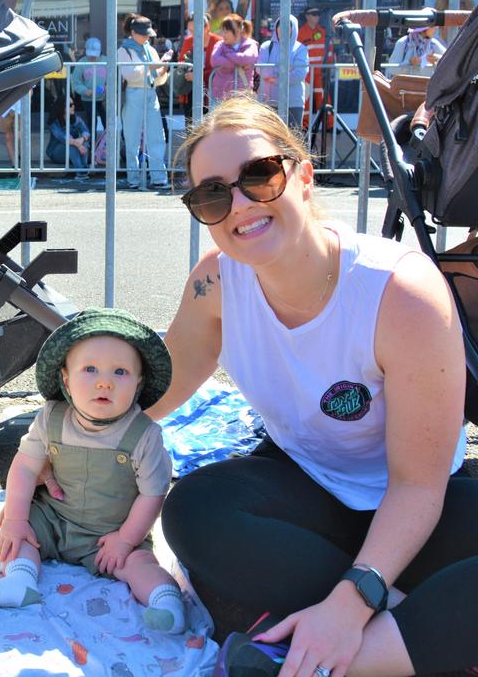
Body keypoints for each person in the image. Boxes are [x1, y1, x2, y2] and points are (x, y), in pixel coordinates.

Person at [155, 95, 478, 676]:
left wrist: (354, 599)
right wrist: (51, 445)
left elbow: (417, 486)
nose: (239, 204)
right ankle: (414, 632)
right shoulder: (216, 284)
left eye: (259, 175)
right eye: (212, 193)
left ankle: (350, 653)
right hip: (309, 489)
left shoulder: (400, 292)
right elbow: (157, 389)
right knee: (195, 510)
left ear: (303, 177)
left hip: (420, 505)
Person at [0, 309, 186, 633]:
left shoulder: (144, 435)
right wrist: (18, 519)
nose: (104, 381)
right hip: (54, 519)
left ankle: (166, 602)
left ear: (138, 383)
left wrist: (125, 539)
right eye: (89, 369)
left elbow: (154, 493)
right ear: (66, 378)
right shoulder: (51, 417)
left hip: (111, 533)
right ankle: (20, 581)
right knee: (18, 534)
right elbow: (24, 466)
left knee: (139, 563)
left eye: (120, 372)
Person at [119, 14, 172, 189]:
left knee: (157, 136)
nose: (147, 37)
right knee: (132, 137)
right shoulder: (124, 50)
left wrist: (164, 68)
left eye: (148, 34)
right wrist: (152, 66)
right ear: (133, 32)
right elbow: (130, 74)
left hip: (150, 92)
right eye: (144, 34)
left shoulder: (150, 50)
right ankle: (132, 177)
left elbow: (157, 79)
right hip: (133, 93)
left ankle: (159, 177)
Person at [256, 13, 310, 129]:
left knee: (292, 138)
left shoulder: (301, 49)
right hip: (267, 101)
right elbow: (260, 69)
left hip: (292, 102)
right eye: (281, 25)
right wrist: (284, 70)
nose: (283, 29)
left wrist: (273, 76)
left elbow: (299, 74)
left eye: (287, 26)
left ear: (293, 28)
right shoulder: (266, 46)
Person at [177, 15, 222, 122]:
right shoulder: (188, 41)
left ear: (207, 27)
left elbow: (221, 68)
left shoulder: (218, 42)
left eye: (195, 30)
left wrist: (199, 76)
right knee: (190, 124)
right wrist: (187, 70)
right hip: (190, 91)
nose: (193, 34)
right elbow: (181, 61)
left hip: (212, 91)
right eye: (190, 30)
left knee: (210, 125)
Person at [209, 14, 258, 106]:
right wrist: (238, 63)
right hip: (220, 96)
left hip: (242, 97)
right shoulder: (220, 44)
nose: (223, 35)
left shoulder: (250, 44)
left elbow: (247, 58)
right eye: (222, 31)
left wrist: (227, 54)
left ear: (238, 30)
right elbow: (214, 60)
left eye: (227, 31)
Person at [297, 7, 334, 123]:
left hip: (321, 72)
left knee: (324, 98)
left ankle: (329, 125)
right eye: (314, 14)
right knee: (305, 98)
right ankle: (304, 126)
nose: (317, 16)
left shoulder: (323, 32)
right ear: (307, 16)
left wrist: (329, 66)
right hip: (306, 72)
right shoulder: (300, 33)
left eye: (318, 14)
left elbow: (330, 50)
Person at [45, 93, 90, 180]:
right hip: (57, 152)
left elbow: (86, 132)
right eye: (70, 105)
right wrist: (78, 144)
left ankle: (84, 168)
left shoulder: (76, 119)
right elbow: (64, 138)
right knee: (71, 145)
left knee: (84, 142)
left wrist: (82, 138)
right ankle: (81, 171)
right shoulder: (54, 123)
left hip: (72, 152)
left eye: (73, 104)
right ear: (62, 107)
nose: (73, 106)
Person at [70, 36, 107, 133]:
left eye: (95, 54)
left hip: (104, 99)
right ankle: (92, 145)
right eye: (91, 54)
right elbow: (76, 80)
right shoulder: (82, 63)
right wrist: (84, 90)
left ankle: (108, 144)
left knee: (107, 123)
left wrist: (108, 87)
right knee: (91, 124)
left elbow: (114, 78)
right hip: (88, 99)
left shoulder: (107, 61)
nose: (93, 57)